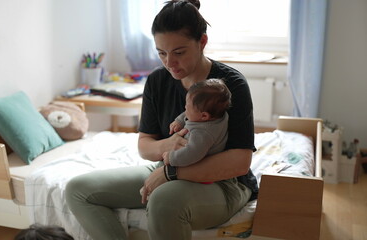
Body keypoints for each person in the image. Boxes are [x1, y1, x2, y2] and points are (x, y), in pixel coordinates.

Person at [65, 1, 258, 239]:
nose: (169, 63)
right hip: (168, 166)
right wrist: (166, 148)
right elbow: (145, 146)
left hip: (223, 183)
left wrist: (171, 173)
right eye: (161, 53)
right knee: (78, 190)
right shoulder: (157, 81)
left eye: (179, 52)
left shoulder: (231, 84)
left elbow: (240, 162)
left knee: (163, 200)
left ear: (202, 42)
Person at [162, 78, 231, 168]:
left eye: (187, 107)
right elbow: (191, 114)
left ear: (204, 116)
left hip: (197, 167)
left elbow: (191, 154)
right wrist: (179, 120)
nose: (185, 107)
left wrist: (171, 158)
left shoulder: (202, 133)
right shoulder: (217, 116)